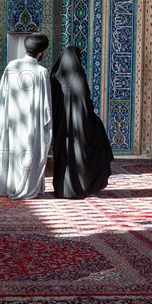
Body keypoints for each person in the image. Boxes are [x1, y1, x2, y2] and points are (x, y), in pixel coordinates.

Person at [0, 33, 53, 200]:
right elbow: (47, 105)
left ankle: (8, 186)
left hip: (12, 122)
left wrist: (3, 120)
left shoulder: (11, 66)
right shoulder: (41, 72)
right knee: (28, 155)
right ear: (40, 53)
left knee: (12, 153)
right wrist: (47, 128)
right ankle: (25, 188)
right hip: (31, 125)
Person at [50, 45, 114, 198]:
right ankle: (81, 187)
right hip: (80, 127)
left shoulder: (54, 77)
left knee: (63, 155)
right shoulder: (79, 76)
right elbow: (86, 104)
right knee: (82, 152)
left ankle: (62, 188)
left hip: (61, 128)